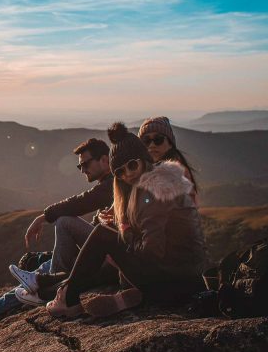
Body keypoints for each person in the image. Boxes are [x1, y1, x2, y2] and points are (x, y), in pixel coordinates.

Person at [11, 122, 207, 318]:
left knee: (103, 236)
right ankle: (54, 289)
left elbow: (152, 252)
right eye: (120, 172)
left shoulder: (153, 190)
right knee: (106, 244)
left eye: (132, 165)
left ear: (144, 160)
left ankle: (66, 298)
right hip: (183, 279)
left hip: (175, 283)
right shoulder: (153, 184)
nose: (128, 174)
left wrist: (123, 233)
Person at [0, 138, 114, 324]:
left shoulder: (114, 183)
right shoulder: (108, 184)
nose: (82, 170)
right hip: (103, 250)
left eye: (85, 164)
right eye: (79, 166)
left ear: (104, 160)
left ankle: (50, 285)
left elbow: (82, 202)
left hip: (113, 254)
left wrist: (44, 216)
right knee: (45, 264)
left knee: (64, 222)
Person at [138, 116, 198, 202]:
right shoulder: (140, 170)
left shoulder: (178, 173)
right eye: (146, 141)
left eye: (158, 139)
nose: (152, 145)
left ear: (170, 144)